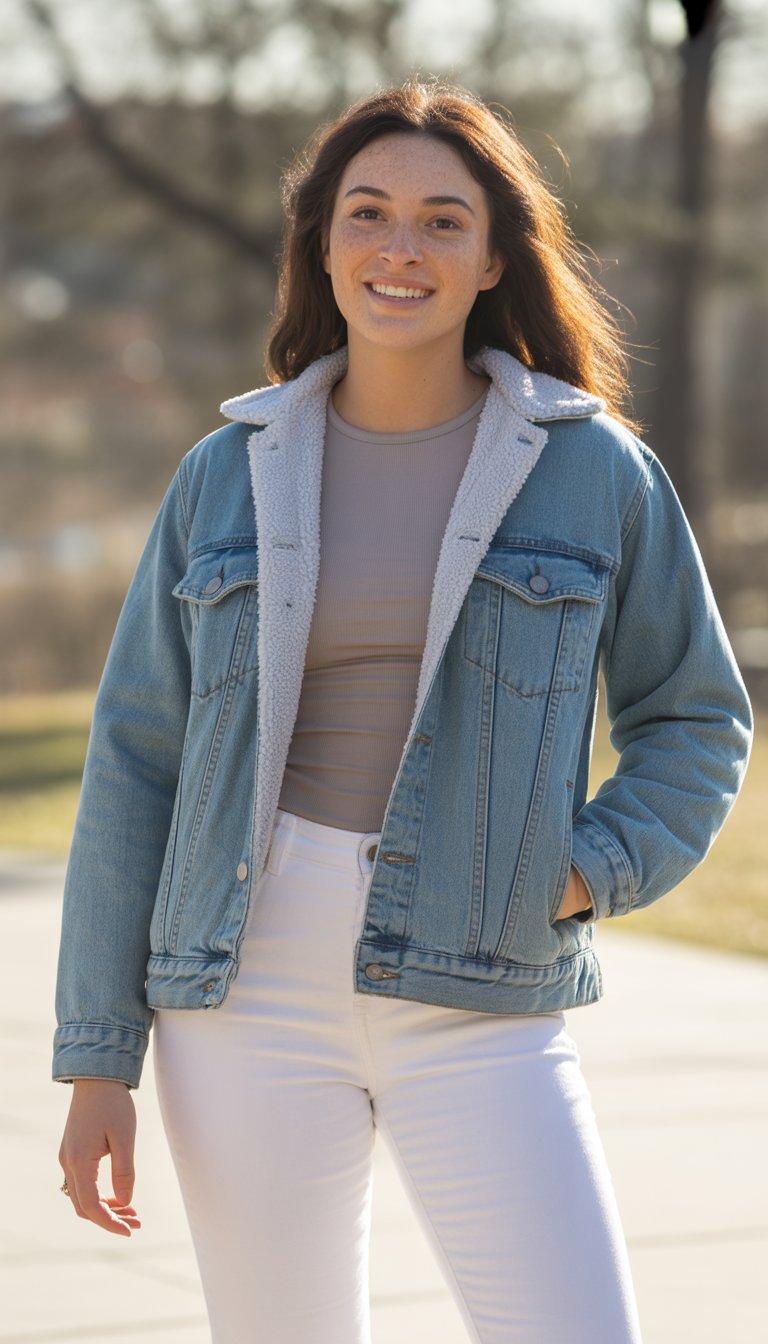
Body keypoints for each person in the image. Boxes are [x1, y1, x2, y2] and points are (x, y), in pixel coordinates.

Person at [54, 80, 752, 1343]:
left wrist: (585, 872)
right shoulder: (225, 474)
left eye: (443, 220)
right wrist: (99, 1057)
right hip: (240, 985)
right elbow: (136, 760)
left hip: (482, 977)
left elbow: (697, 716)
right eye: (368, 214)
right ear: (324, 245)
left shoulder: (594, 471)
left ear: (493, 258)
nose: (401, 248)